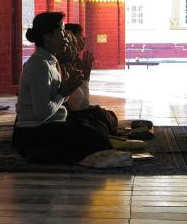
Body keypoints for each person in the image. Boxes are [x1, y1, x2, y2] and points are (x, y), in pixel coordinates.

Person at [12, 12, 112, 164]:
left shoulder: (49, 62)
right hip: (33, 133)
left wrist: (67, 90)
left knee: (96, 131)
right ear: (48, 36)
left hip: (46, 127)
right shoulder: (39, 65)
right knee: (96, 140)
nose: (66, 36)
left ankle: (48, 154)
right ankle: (39, 153)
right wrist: (63, 93)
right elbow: (41, 113)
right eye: (62, 30)